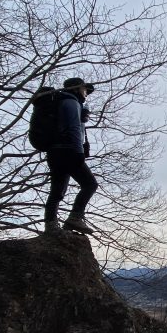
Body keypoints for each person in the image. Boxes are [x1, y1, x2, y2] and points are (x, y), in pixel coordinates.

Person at [43, 77, 98, 234]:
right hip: (67, 150)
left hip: (55, 151)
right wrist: (79, 152)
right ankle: (74, 219)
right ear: (76, 89)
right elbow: (73, 128)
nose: (86, 93)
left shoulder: (63, 102)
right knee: (90, 184)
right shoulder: (71, 102)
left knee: (57, 190)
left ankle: (51, 225)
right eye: (84, 89)